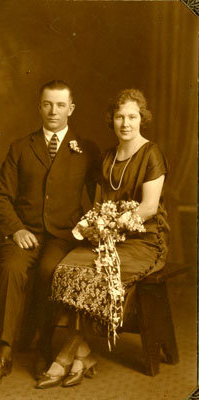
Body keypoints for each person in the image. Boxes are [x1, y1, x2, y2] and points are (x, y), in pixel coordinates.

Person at [36, 88, 170, 389]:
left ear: (141, 119)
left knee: (100, 274)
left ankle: (67, 354)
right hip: (110, 238)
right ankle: (83, 353)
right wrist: (92, 226)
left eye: (132, 117)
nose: (125, 123)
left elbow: (148, 208)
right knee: (66, 267)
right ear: (112, 120)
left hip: (144, 240)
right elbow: (100, 203)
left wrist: (115, 226)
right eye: (119, 117)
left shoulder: (152, 153)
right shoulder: (108, 156)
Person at [0, 80, 100, 386]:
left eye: (60, 105)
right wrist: (16, 229)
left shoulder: (86, 150)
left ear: (71, 109)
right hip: (26, 234)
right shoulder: (21, 147)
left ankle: (44, 347)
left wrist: (88, 226)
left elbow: (102, 196)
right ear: (39, 106)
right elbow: (0, 196)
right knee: (11, 268)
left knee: (50, 270)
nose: (53, 111)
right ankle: (4, 353)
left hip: (62, 237)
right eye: (47, 104)